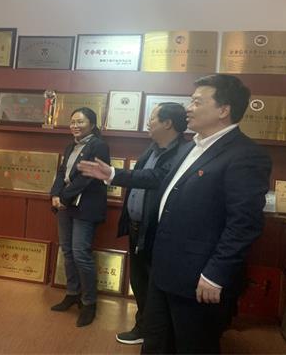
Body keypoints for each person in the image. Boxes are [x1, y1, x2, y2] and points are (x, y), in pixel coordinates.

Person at [140, 75, 272, 354]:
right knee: (156, 342)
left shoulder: (245, 155)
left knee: (193, 346)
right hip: (164, 270)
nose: (189, 108)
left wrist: (215, 274)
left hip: (199, 279)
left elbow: (244, 223)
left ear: (223, 110)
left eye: (197, 102)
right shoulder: (191, 146)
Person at [77, 102, 188, 345]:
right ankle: (143, 327)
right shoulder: (152, 149)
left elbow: (155, 178)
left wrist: (113, 174)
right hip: (138, 229)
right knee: (139, 283)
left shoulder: (183, 152)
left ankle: (155, 335)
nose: (148, 123)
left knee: (155, 287)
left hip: (157, 232)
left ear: (167, 123)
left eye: (153, 118)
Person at [49, 107, 110, 327]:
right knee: (67, 251)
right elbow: (61, 172)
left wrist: (63, 197)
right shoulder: (70, 146)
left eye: (80, 122)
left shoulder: (98, 145)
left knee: (80, 254)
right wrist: (55, 194)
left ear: (92, 124)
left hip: (85, 206)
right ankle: (72, 293)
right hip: (65, 205)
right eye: (73, 122)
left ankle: (89, 303)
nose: (75, 125)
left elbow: (88, 177)